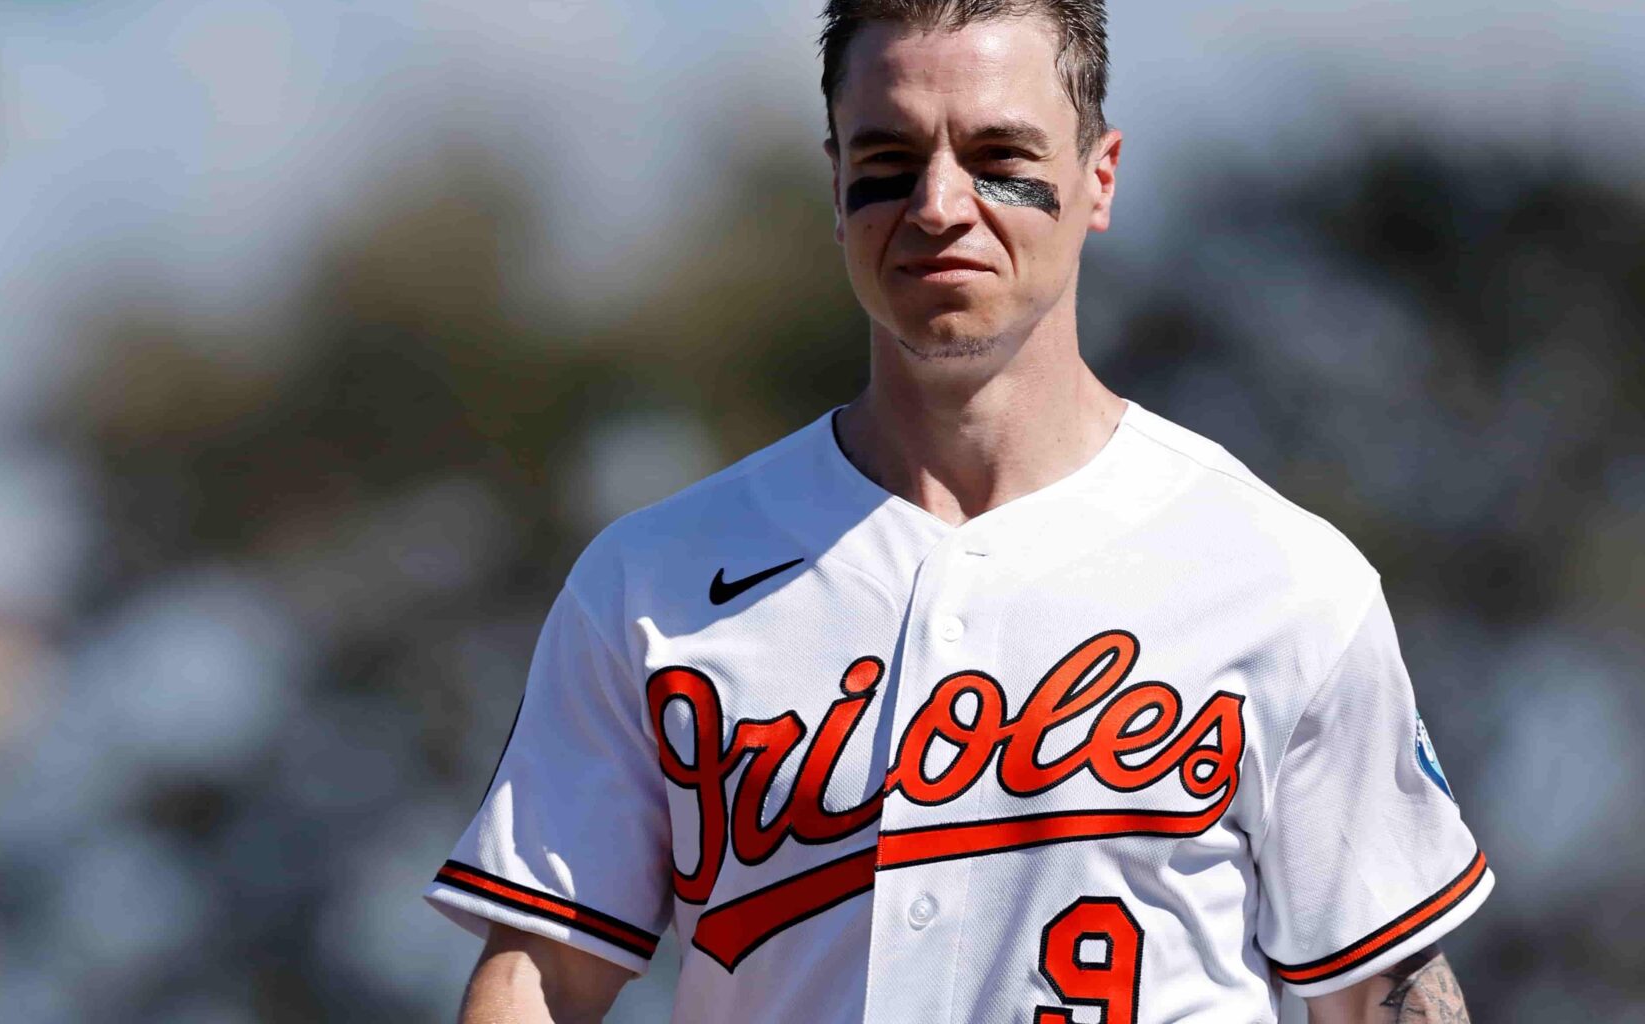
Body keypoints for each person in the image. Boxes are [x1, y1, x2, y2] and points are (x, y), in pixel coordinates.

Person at [426, 2, 1489, 1021]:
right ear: (835, 182)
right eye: (888, 164)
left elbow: (1379, 994)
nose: (938, 205)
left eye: (1000, 160)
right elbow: (545, 978)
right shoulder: (653, 581)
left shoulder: (1282, 582)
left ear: (1098, 177)